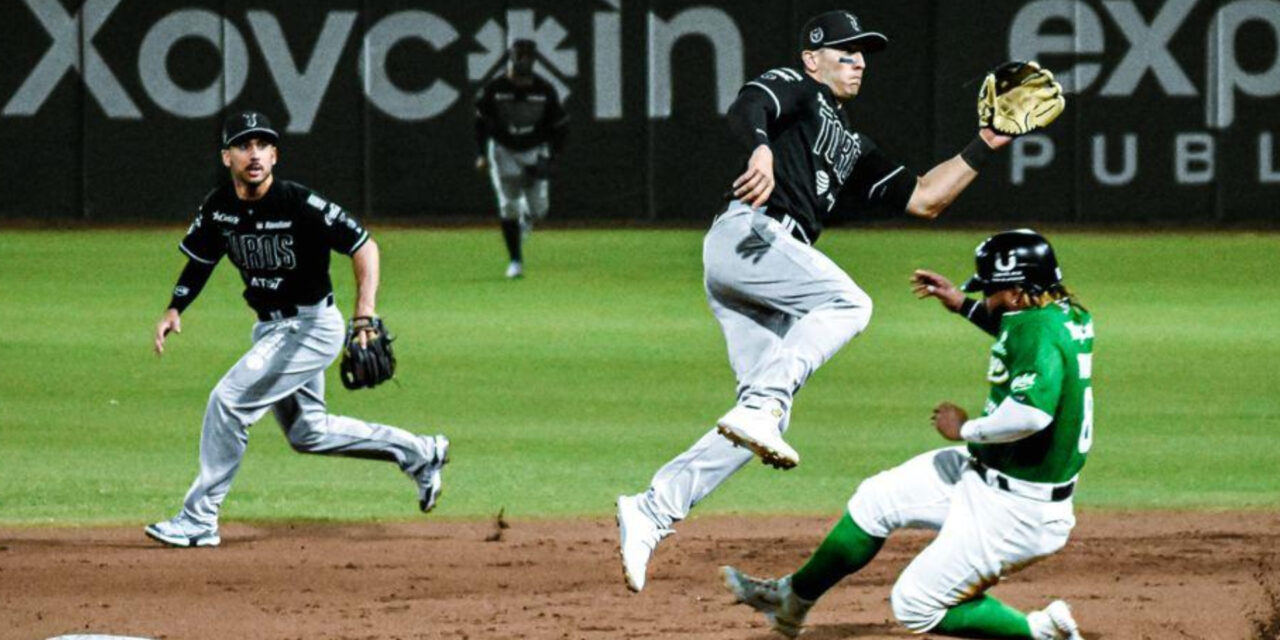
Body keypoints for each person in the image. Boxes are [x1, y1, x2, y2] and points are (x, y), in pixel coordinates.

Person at [616, 9, 1017, 592]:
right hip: (751, 238)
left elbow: (927, 198)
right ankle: (760, 408)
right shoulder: (798, 89)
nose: (858, 61)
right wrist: (760, 151)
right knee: (851, 304)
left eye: (863, 54)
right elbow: (747, 107)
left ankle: (653, 508)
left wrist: (987, 142)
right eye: (845, 51)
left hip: (766, 266)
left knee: (758, 420)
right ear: (813, 58)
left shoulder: (852, 143)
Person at [720, 230, 1093, 640]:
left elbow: (1030, 415)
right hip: (989, 478)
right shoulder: (1066, 316)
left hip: (1017, 510)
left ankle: (1042, 632)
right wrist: (962, 306)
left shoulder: (1037, 330)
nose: (987, 297)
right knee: (877, 500)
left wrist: (964, 429)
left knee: (915, 606)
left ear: (1020, 292)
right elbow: (1015, 333)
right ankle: (790, 602)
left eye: (993, 290)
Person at [145, 110, 450, 548]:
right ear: (227, 156)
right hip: (272, 330)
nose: (254, 154)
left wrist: (364, 313)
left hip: (309, 327)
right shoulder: (220, 208)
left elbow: (364, 245)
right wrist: (176, 307)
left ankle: (199, 518)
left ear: (275, 155)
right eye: (244, 145)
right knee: (309, 433)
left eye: (263, 145)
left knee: (227, 402)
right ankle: (422, 452)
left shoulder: (300, 204)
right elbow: (201, 259)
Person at [474, 38, 569, 279]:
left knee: (539, 208)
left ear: (534, 60)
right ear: (511, 57)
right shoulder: (494, 89)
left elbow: (559, 125)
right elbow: (480, 122)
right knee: (508, 205)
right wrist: (481, 154)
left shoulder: (544, 90)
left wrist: (554, 155)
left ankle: (527, 218)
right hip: (503, 149)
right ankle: (515, 260)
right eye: (519, 56)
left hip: (534, 148)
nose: (523, 61)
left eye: (528, 56)